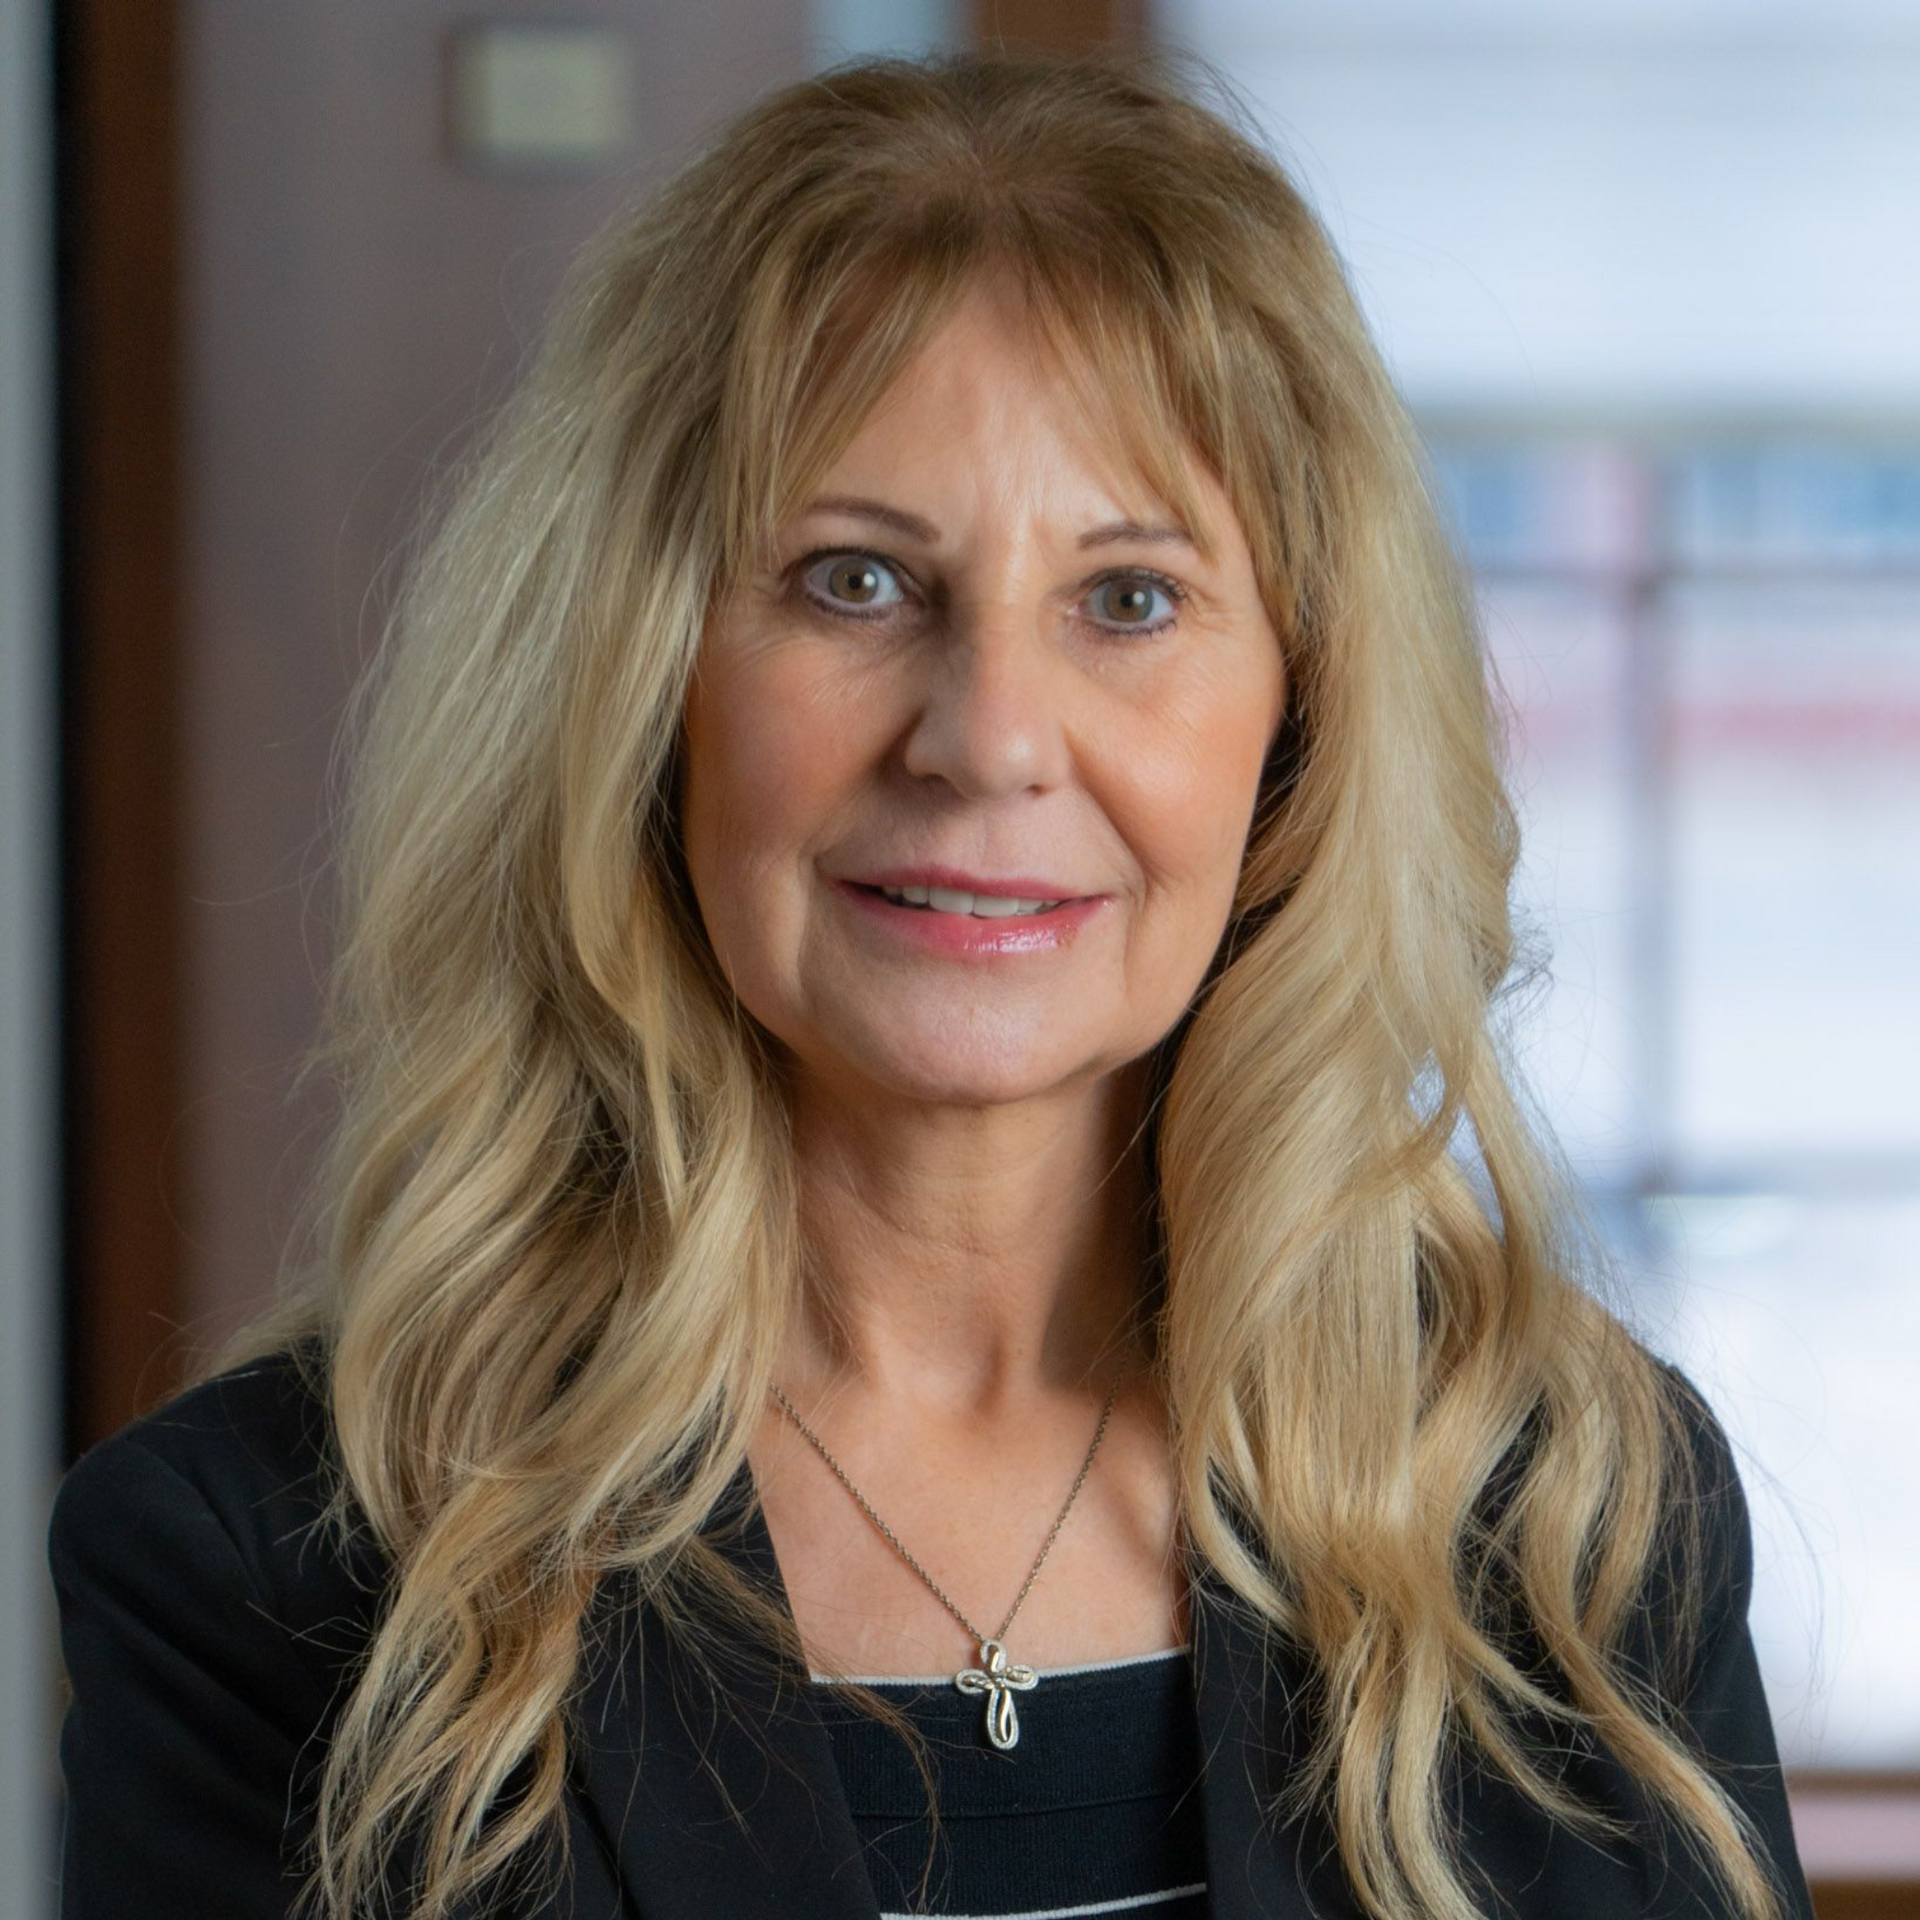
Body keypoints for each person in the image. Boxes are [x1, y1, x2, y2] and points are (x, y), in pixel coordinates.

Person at [47, 46, 1816, 1920]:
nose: (989, 742)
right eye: (855, 584)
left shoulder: (1570, 1523)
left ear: (1298, 723)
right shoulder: (272, 1576)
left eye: (1128, 598)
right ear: (644, 691)